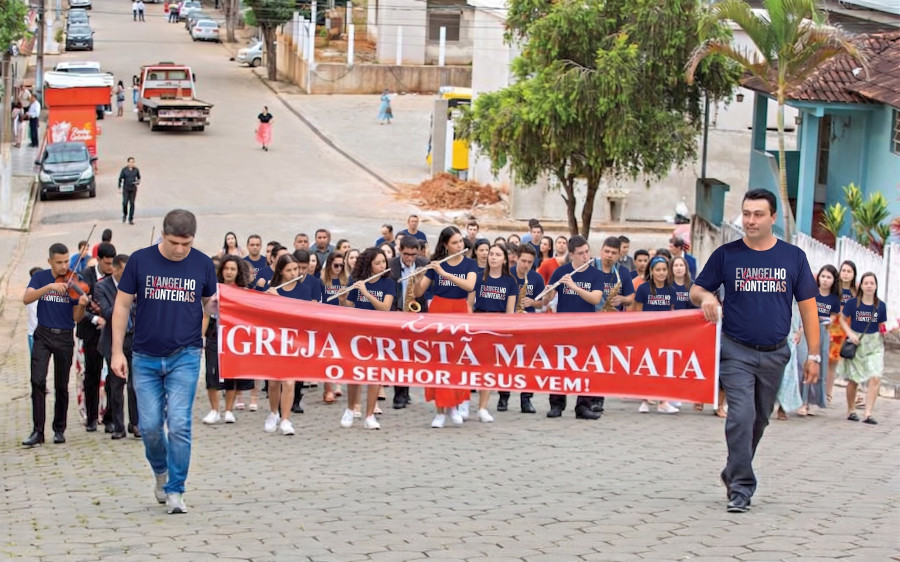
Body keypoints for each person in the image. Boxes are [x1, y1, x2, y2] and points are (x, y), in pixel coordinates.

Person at [690, 189, 819, 514]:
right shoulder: (727, 255)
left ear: (773, 218)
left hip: (776, 353)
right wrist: (706, 298)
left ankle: (733, 469)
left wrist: (814, 355)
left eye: (758, 214)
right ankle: (742, 488)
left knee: (759, 419)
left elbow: (808, 308)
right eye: (746, 213)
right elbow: (697, 288)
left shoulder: (793, 258)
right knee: (741, 415)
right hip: (735, 351)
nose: (750, 220)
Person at [110, 209, 218, 515]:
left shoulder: (202, 263)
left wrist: (216, 308)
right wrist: (118, 352)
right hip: (144, 357)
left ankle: (176, 489)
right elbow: (121, 305)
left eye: (186, 243)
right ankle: (161, 472)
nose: (180, 250)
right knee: (150, 426)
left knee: (180, 424)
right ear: (163, 234)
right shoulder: (140, 261)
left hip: (184, 355)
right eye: (174, 243)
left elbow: (209, 303)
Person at [22, 244, 91, 446]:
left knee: (61, 385)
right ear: (50, 261)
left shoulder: (74, 281)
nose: (63, 266)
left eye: (66, 261)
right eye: (59, 262)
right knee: (37, 381)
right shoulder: (40, 278)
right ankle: (38, 431)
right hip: (43, 334)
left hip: (64, 336)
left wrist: (81, 305)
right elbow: (26, 298)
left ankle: (59, 429)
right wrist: (49, 288)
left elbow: (77, 318)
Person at [414, 226, 477, 428]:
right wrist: (418, 277)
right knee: (438, 359)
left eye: (461, 241)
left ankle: (455, 405)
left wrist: (445, 273)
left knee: (457, 359)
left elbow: (469, 286)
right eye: (455, 243)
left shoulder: (469, 264)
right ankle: (440, 410)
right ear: (445, 246)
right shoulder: (436, 265)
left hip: (459, 311)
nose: (460, 245)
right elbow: (418, 293)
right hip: (439, 311)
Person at [542, 235, 604, 420]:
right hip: (563, 326)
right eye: (580, 253)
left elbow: (595, 298)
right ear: (572, 255)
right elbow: (546, 300)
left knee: (585, 366)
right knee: (560, 365)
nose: (585, 256)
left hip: (586, 326)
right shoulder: (561, 271)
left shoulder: (596, 274)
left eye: (587, 252)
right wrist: (550, 292)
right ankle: (556, 404)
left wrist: (573, 286)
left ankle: (583, 406)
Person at [338, 248, 396, 429]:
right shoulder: (356, 280)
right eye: (377, 263)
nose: (382, 266)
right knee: (354, 374)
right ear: (369, 264)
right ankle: (350, 409)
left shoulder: (388, 283)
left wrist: (367, 293)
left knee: (375, 374)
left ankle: (370, 415)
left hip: (379, 332)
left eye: (383, 262)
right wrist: (342, 298)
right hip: (358, 332)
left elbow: (385, 308)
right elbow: (349, 305)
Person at [465, 243, 517, 423]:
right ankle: (464, 404)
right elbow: (469, 304)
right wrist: (471, 323)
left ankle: (482, 408)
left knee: (487, 367)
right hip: (478, 323)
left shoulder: (510, 282)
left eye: (497, 254)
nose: (493, 257)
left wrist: (506, 331)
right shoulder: (479, 278)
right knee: (470, 365)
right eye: (491, 254)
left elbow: (510, 311)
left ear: (504, 259)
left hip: (497, 326)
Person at [201, 257, 254, 425]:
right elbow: (206, 314)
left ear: (238, 272)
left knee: (231, 373)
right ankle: (214, 409)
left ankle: (229, 410)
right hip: (214, 333)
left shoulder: (242, 291)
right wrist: (200, 337)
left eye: (233, 269)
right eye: (226, 268)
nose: (229, 272)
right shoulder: (213, 289)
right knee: (211, 372)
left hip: (234, 335)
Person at [264, 254, 310, 435]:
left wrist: (281, 301)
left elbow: (302, 316)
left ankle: (285, 419)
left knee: (289, 382)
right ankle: (273, 413)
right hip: (275, 340)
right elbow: (267, 318)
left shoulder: (304, 290)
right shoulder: (272, 289)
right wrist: (271, 298)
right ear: (281, 271)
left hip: (294, 341)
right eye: (289, 270)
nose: (293, 273)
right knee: (274, 383)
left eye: (295, 269)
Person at [97, 254, 140, 439]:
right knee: (116, 385)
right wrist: (126, 302)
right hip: (114, 339)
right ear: (114, 270)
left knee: (135, 384)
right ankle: (118, 425)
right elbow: (107, 311)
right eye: (124, 271)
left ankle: (136, 423)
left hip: (135, 339)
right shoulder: (101, 287)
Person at [837, 272, 887, 425]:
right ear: (862, 285)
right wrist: (850, 334)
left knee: (876, 376)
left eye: (872, 283)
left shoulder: (881, 305)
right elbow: (842, 319)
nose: (869, 286)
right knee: (854, 379)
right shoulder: (853, 303)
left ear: (876, 286)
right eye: (866, 283)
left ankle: (868, 412)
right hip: (857, 343)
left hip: (875, 345)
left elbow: (881, 326)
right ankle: (851, 409)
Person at [77, 242, 116, 432]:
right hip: (91, 331)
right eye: (107, 264)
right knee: (92, 374)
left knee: (112, 376)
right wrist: (94, 319)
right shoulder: (85, 276)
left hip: (110, 333)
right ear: (98, 260)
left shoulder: (115, 277)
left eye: (113, 264)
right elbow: (77, 306)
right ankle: (91, 418)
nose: (111, 268)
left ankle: (109, 417)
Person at [633, 256, 679, 414]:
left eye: (664, 270)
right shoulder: (643, 289)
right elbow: (637, 312)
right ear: (651, 271)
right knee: (646, 367)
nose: (661, 273)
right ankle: (644, 400)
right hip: (646, 335)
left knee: (663, 367)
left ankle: (663, 401)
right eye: (658, 270)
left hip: (664, 336)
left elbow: (671, 312)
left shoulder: (671, 290)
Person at [388, 237, 428, 408]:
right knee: (399, 356)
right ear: (400, 250)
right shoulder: (391, 265)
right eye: (406, 254)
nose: (410, 258)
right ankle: (400, 396)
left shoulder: (424, 263)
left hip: (416, 314)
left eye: (413, 255)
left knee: (411, 356)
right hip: (398, 313)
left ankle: (406, 391)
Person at [504, 244, 544, 413]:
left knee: (529, 363)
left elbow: (542, 302)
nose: (526, 265)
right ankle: (503, 397)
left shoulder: (536, 278)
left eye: (529, 262)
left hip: (529, 324)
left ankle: (526, 400)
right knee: (505, 361)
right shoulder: (507, 275)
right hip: (508, 323)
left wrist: (533, 302)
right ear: (516, 258)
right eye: (523, 261)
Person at [797, 265, 840, 416]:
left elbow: (833, 318)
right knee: (804, 364)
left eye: (829, 277)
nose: (825, 280)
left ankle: (810, 402)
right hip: (808, 330)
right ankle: (802, 402)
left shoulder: (835, 299)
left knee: (819, 368)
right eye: (823, 276)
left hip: (824, 333)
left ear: (834, 280)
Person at [827, 260, 858, 404]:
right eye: (843, 271)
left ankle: (831, 393)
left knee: (838, 363)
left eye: (849, 271)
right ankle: (825, 393)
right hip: (831, 328)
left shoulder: (855, 293)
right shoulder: (834, 289)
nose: (845, 274)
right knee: (827, 360)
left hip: (847, 331)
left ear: (853, 275)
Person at [118, 157, 141, 225]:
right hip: (126, 189)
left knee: (132, 203)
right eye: (130, 162)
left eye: (133, 162)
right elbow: (120, 179)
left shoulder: (136, 170)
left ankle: (130, 218)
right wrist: (119, 187)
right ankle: (125, 214)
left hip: (133, 189)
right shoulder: (124, 170)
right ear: (128, 163)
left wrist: (137, 182)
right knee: (125, 203)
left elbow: (139, 178)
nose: (131, 163)